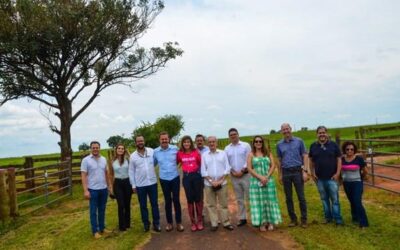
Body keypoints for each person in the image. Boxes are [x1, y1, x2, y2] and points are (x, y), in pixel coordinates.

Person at [309, 126, 344, 225]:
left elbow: (339, 159)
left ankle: (338, 219)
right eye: (320, 133)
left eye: (323, 132)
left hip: (332, 178)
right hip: (320, 179)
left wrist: (337, 173)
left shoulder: (333, 145)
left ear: (327, 133)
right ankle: (328, 218)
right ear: (317, 134)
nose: (322, 134)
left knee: (335, 199)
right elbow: (311, 160)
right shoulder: (313, 146)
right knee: (324, 199)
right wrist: (312, 173)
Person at [277, 123, 308, 228]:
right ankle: (293, 219)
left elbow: (304, 156)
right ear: (281, 132)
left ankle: (304, 220)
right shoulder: (279, 144)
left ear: (291, 129)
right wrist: (280, 174)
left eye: (287, 129)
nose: (286, 131)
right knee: (288, 197)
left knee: (301, 197)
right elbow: (279, 160)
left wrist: (305, 171)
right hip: (286, 172)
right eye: (283, 130)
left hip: (297, 171)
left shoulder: (299, 141)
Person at [248, 136, 282, 231]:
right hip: (256, 182)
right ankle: (262, 223)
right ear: (254, 143)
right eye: (256, 141)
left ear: (262, 143)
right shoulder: (251, 154)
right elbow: (249, 168)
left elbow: (273, 165)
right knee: (259, 202)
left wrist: (266, 177)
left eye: (260, 141)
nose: (258, 143)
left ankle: (270, 222)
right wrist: (260, 177)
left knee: (270, 201)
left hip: (268, 181)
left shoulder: (268, 153)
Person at [201, 136, 234, 231]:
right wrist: (211, 181)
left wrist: (220, 181)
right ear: (207, 143)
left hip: (222, 183)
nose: (211, 143)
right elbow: (203, 170)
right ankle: (214, 223)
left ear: (216, 143)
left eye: (213, 142)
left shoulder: (223, 153)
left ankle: (226, 222)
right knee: (211, 205)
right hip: (208, 184)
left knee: (223, 204)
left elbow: (227, 168)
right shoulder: (204, 155)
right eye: (210, 142)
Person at [129, 136, 161, 232]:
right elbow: (131, 171)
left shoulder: (152, 151)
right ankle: (146, 224)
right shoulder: (133, 156)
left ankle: (156, 223)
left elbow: (155, 162)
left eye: (141, 140)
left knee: (154, 204)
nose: (140, 142)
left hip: (152, 183)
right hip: (140, 185)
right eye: (138, 141)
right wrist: (133, 185)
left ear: (144, 141)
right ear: (136, 143)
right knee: (143, 206)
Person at [154, 132, 184, 232]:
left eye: (166, 139)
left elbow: (181, 159)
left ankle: (179, 223)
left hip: (174, 178)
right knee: (167, 201)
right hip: (164, 179)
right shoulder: (156, 152)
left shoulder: (175, 149)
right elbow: (153, 164)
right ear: (159, 140)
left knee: (176, 200)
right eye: (162, 139)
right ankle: (169, 223)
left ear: (169, 139)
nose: (164, 140)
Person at [81, 141, 111, 238]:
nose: (95, 149)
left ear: (99, 148)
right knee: (93, 211)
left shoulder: (103, 159)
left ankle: (102, 228)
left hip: (103, 189)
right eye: (93, 148)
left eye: (97, 147)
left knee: (102, 209)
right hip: (92, 190)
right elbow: (84, 176)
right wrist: (85, 190)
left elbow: (106, 174)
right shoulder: (86, 160)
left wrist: (109, 186)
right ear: (91, 149)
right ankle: (95, 231)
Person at [224, 128, 251, 226]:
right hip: (234, 176)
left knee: (250, 197)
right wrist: (233, 172)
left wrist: (242, 171)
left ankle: (255, 217)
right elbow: (226, 162)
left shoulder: (246, 145)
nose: (233, 136)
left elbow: (249, 159)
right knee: (239, 198)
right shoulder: (227, 148)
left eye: (235, 134)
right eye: (231, 135)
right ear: (229, 136)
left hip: (246, 175)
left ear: (238, 134)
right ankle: (243, 218)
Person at [177, 135, 204, 232]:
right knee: (190, 200)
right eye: (184, 142)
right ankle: (193, 222)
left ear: (191, 143)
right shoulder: (180, 153)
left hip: (196, 177)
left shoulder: (196, 152)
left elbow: (201, 164)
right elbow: (178, 162)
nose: (186, 144)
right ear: (182, 143)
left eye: (188, 142)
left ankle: (200, 221)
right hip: (187, 178)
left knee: (198, 199)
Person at [341, 141, 369, 228]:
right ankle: (355, 217)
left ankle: (364, 223)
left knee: (357, 201)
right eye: (347, 149)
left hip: (357, 183)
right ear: (344, 150)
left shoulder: (359, 159)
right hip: (346, 183)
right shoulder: (342, 159)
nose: (349, 151)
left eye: (352, 149)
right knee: (352, 201)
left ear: (354, 150)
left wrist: (361, 178)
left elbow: (365, 171)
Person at [107, 143, 132, 232]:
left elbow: (133, 164)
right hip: (117, 183)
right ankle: (122, 226)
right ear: (116, 150)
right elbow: (110, 174)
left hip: (127, 182)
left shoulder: (128, 160)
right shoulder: (112, 161)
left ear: (124, 150)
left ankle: (127, 223)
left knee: (127, 204)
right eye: (119, 148)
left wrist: (128, 153)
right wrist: (110, 187)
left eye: (122, 148)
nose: (120, 150)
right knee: (120, 205)